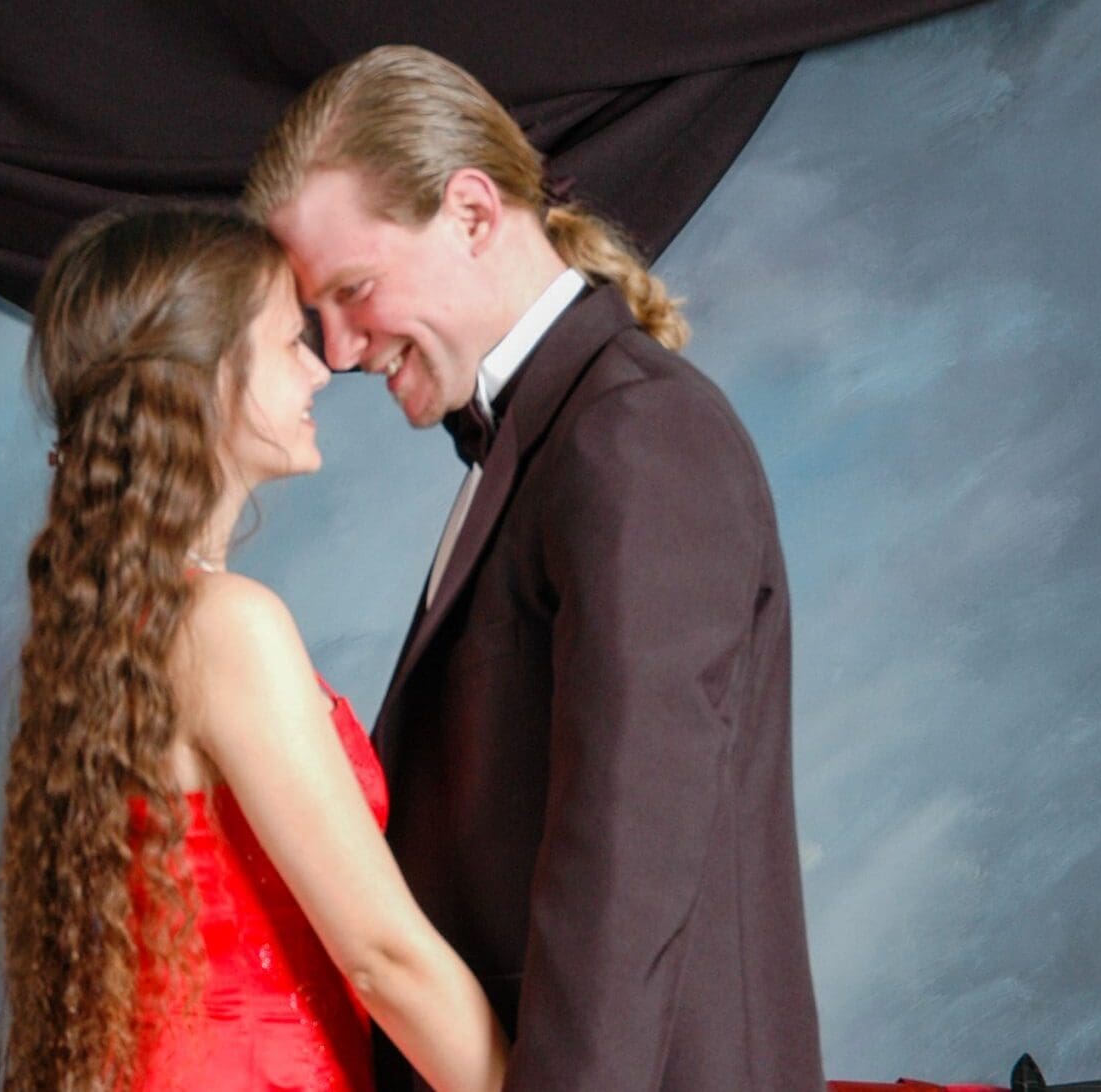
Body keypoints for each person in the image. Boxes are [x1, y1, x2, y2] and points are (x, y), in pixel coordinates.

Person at [244, 46, 825, 1091]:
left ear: (472, 213)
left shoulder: (634, 435)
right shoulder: (547, 438)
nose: (334, 348)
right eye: (314, 313)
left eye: (353, 290)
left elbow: (628, 874)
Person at [0, 206, 509, 1092]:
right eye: (288, 344)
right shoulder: (225, 624)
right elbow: (385, 958)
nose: (322, 369)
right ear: (204, 381)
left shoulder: (132, 622)